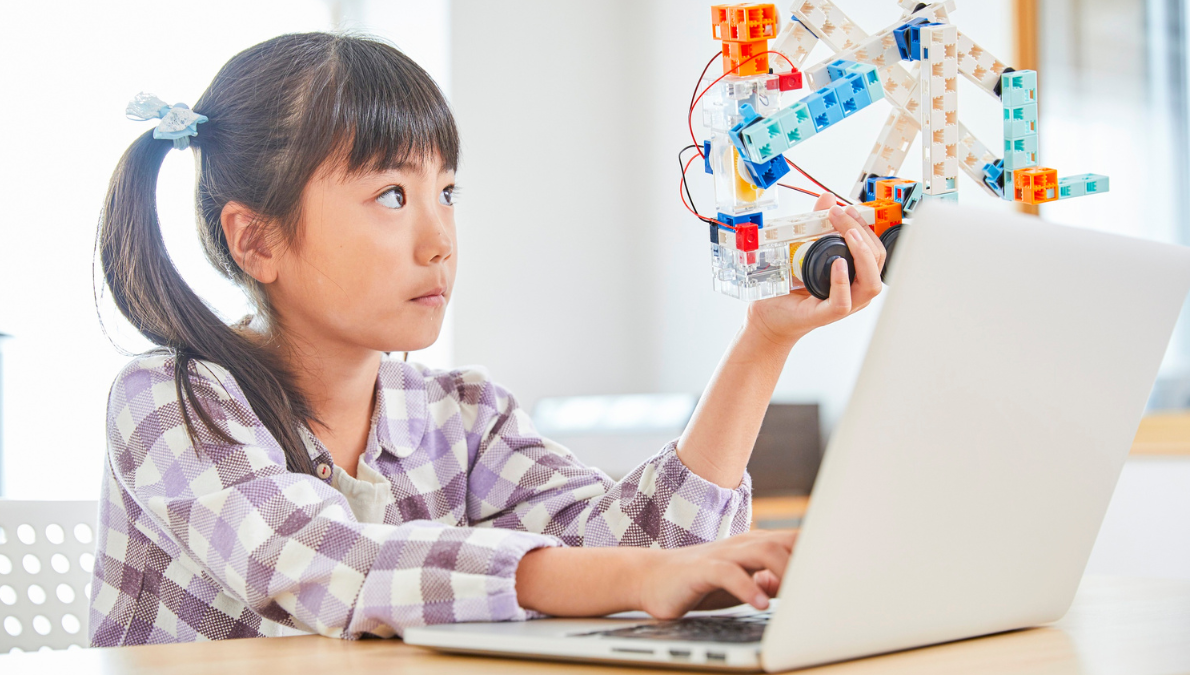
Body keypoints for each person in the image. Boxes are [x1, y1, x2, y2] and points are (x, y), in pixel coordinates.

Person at [90, 32, 886, 646]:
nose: (440, 238)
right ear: (256, 241)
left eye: (447, 190)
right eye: (392, 193)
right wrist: (639, 572)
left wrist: (763, 344)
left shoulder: (459, 414)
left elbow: (643, 549)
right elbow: (338, 564)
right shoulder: (171, 402)